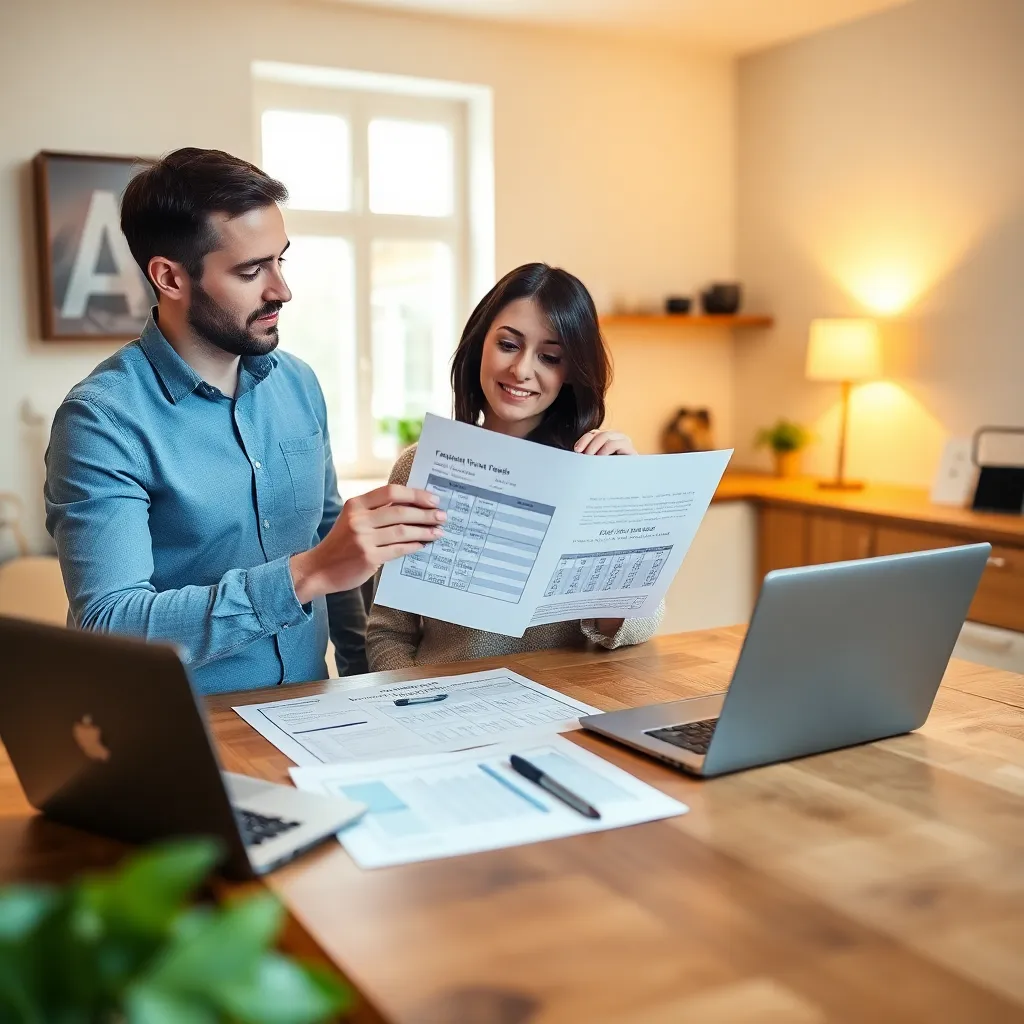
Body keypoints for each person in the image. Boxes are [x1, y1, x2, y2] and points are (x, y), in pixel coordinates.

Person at [44, 148, 445, 695]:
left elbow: (336, 553)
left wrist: (364, 684)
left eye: (281, 260)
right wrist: (304, 574)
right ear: (169, 277)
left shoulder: (299, 385)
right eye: (251, 270)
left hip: (312, 710)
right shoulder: (102, 421)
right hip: (181, 728)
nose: (281, 289)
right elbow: (110, 623)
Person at [366, 262, 663, 670]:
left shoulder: (594, 470)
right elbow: (388, 632)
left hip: (565, 706)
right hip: (448, 711)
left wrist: (626, 496)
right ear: (479, 345)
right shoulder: (418, 468)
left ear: (570, 373)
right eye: (508, 345)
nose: (522, 370)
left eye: (550, 356)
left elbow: (638, 625)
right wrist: (417, 703)